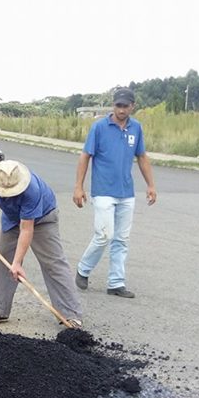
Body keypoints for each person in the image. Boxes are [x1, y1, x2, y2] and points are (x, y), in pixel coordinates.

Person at [0, 160, 83, 328]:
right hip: (12, 217)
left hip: (43, 217)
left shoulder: (31, 190)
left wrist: (17, 263)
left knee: (53, 263)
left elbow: (26, 229)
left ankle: (71, 315)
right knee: (4, 262)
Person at [73, 88, 157, 299]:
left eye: (125, 106)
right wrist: (78, 186)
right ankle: (83, 269)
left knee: (121, 239)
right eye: (118, 105)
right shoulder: (99, 127)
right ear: (113, 105)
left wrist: (151, 185)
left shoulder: (136, 128)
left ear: (132, 106)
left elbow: (142, 157)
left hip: (126, 192)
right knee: (104, 235)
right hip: (103, 191)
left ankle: (116, 283)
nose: (121, 109)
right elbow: (85, 156)